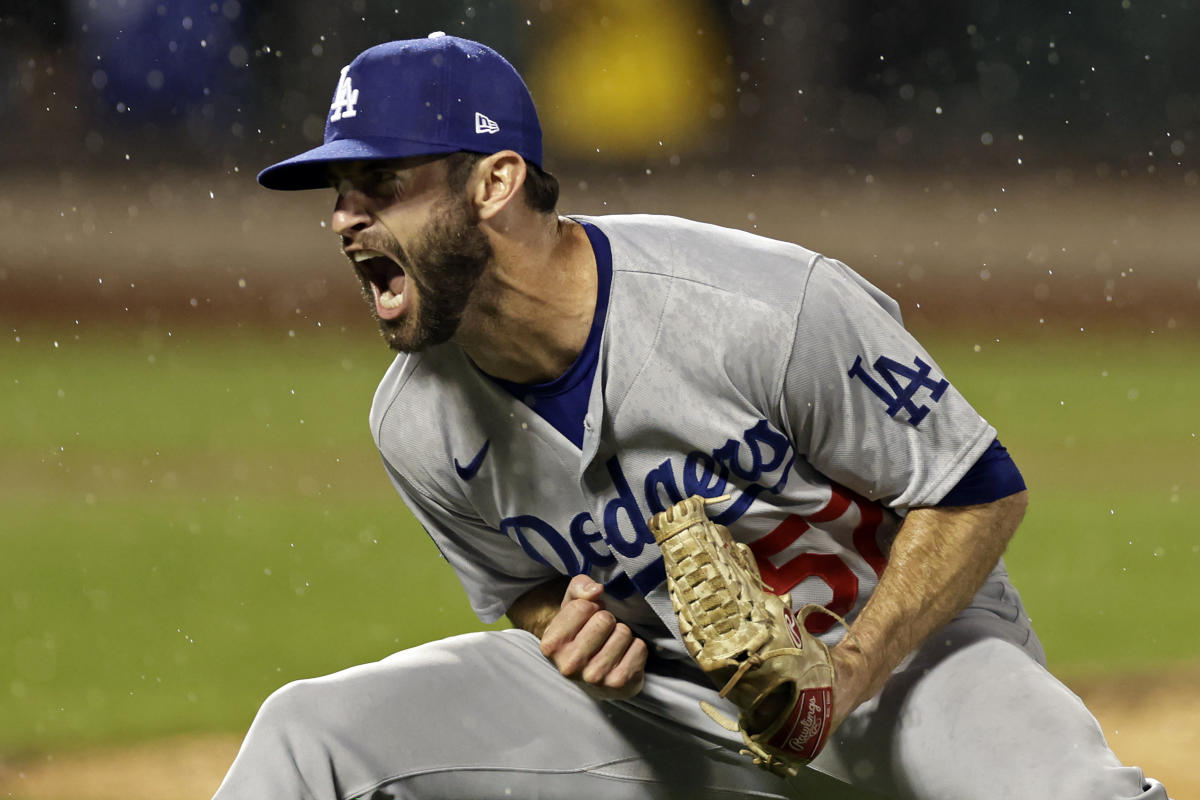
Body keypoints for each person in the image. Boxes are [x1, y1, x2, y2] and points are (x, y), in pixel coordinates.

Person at [216, 33, 1170, 800]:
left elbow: (975, 492)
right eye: (338, 194)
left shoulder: (758, 309)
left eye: (379, 185)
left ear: (495, 182)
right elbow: (522, 588)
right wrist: (572, 627)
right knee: (310, 733)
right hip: (664, 706)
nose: (343, 216)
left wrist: (843, 680)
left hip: (912, 670)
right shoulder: (416, 424)